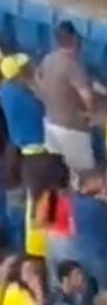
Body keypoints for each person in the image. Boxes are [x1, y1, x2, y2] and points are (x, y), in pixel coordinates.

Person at [36, 21, 96, 174]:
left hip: (50, 123)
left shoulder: (48, 59)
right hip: (72, 128)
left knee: (58, 175)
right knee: (83, 174)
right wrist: (89, 113)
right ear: (75, 40)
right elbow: (86, 96)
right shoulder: (73, 65)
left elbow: (38, 81)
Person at [0, 53, 60, 200]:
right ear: (20, 74)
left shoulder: (5, 92)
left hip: (20, 152)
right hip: (38, 157)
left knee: (30, 200)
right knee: (46, 200)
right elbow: (48, 109)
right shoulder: (26, 98)